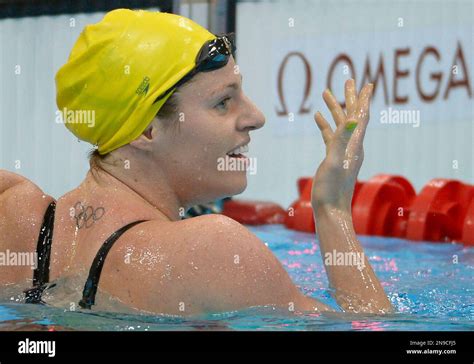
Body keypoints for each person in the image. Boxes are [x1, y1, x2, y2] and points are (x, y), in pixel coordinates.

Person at [0, 9, 392, 315]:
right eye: (224, 102)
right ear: (147, 131)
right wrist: (333, 209)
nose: (256, 116)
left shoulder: (13, 214)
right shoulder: (211, 250)